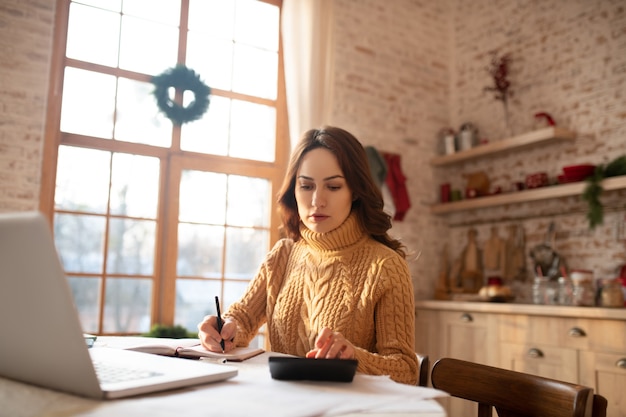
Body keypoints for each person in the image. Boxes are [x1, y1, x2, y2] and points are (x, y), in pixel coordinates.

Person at [197, 126, 418, 385]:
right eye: (306, 186)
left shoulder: (385, 266)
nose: (317, 201)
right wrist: (222, 329)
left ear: (355, 191)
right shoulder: (283, 255)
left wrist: (354, 358)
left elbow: (406, 371)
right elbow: (243, 319)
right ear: (294, 190)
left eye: (333, 187)